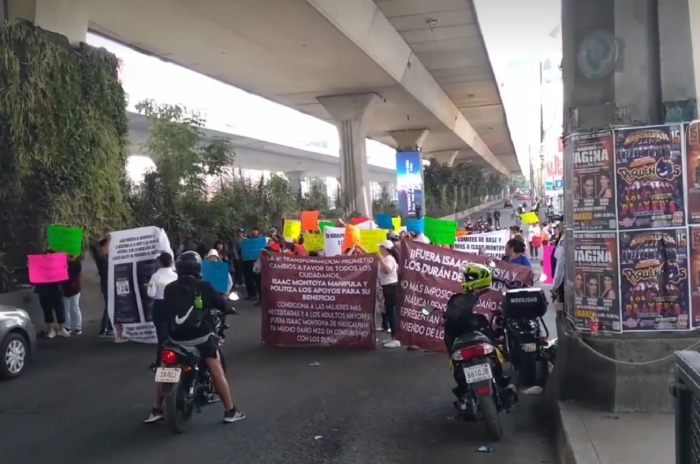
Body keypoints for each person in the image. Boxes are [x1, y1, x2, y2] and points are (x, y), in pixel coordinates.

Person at [144, 251, 245, 425]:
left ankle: (156, 409)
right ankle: (230, 411)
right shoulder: (204, 286)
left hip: (175, 339)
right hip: (200, 338)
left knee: (163, 370)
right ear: (198, 268)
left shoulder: (169, 288)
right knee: (216, 369)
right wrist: (229, 308)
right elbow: (221, 304)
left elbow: (163, 312)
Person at [444, 263, 515, 402]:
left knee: (494, 350)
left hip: (476, 335)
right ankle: (498, 379)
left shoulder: (469, 297)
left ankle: (467, 388)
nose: (465, 280)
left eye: (469, 277)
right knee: (494, 351)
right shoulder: (471, 296)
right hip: (479, 336)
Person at [147, 252, 178, 365]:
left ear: (160, 262)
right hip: (173, 306)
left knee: (161, 335)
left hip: (159, 306)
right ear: (171, 262)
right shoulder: (176, 276)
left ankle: (159, 361)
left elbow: (151, 293)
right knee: (173, 332)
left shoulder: (155, 276)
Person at [35, 263, 70, 338]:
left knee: (60, 307)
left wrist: (64, 267)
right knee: (47, 308)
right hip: (43, 286)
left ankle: (61, 328)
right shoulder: (38, 256)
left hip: (55, 285)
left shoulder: (54, 254)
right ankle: (51, 329)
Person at [378, 241, 401, 348]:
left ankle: (396, 338)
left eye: (380, 247)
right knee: (389, 312)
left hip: (391, 287)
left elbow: (387, 270)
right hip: (387, 287)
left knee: (391, 313)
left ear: (385, 248)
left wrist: (380, 259)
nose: (379, 249)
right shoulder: (386, 258)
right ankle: (393, 336)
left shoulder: (390, 259)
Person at [91, 237, 113, 337]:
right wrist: (109, 239)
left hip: (108, 283)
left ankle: (109, 327)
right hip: (106, 284)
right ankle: (104, 328)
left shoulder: (104, 257)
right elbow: (102, 250)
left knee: (111, 305)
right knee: (109, 306)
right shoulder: (101, 258)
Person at [61, 255, 83, 335]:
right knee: (66, 308)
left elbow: (76, 270)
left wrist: (71, 261)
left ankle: (77, 327)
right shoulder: (63, 263)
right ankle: (67, 326)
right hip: (65, 288)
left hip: (74, 289)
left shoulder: (76, 263)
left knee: (74, 307)